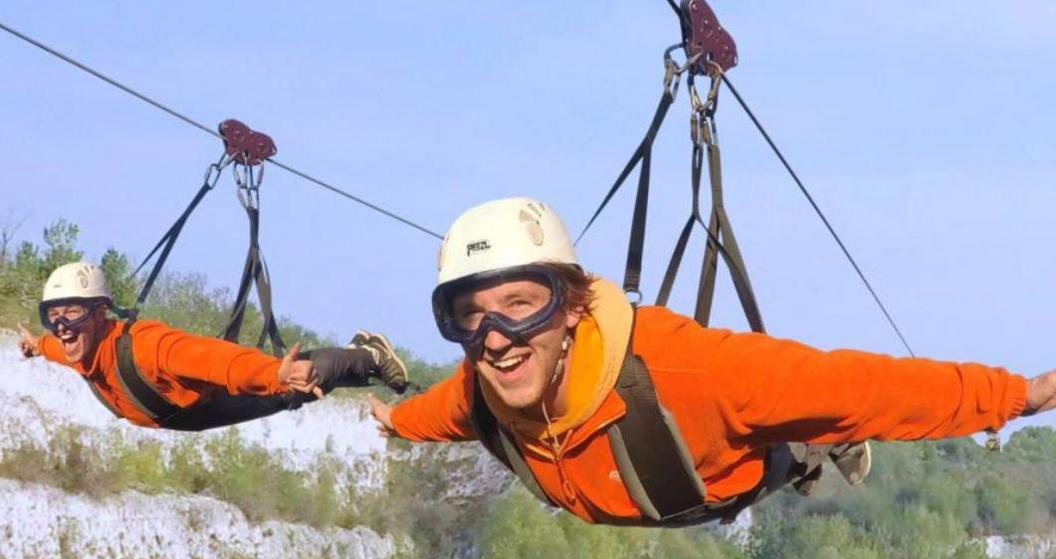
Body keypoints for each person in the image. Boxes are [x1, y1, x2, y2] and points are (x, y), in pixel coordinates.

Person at [368, 197, 1047, 527]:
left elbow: (877, 386)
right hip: (662, 487)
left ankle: (821, 443)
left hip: (729, 470)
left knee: (810, 421)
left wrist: (1017, 397)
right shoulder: (481, 391)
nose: (495, 337)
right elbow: (442, 410)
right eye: (468, 316)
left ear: (572, 305)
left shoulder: (700, 374)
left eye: (522, 304)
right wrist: (394, 421)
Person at [18, 261, 409, 431]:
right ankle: (356, 357)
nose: (62, 326)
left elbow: (219, 361)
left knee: (291, 387)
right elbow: (56, 347)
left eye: (73, 313)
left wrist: (273, 373)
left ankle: (368, 353)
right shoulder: (78, 350)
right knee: (296, 386)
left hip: (208, 403)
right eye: (53, 316)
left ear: (101, 312)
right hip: (184, 418)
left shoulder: (147, 347)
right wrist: (36, 346)